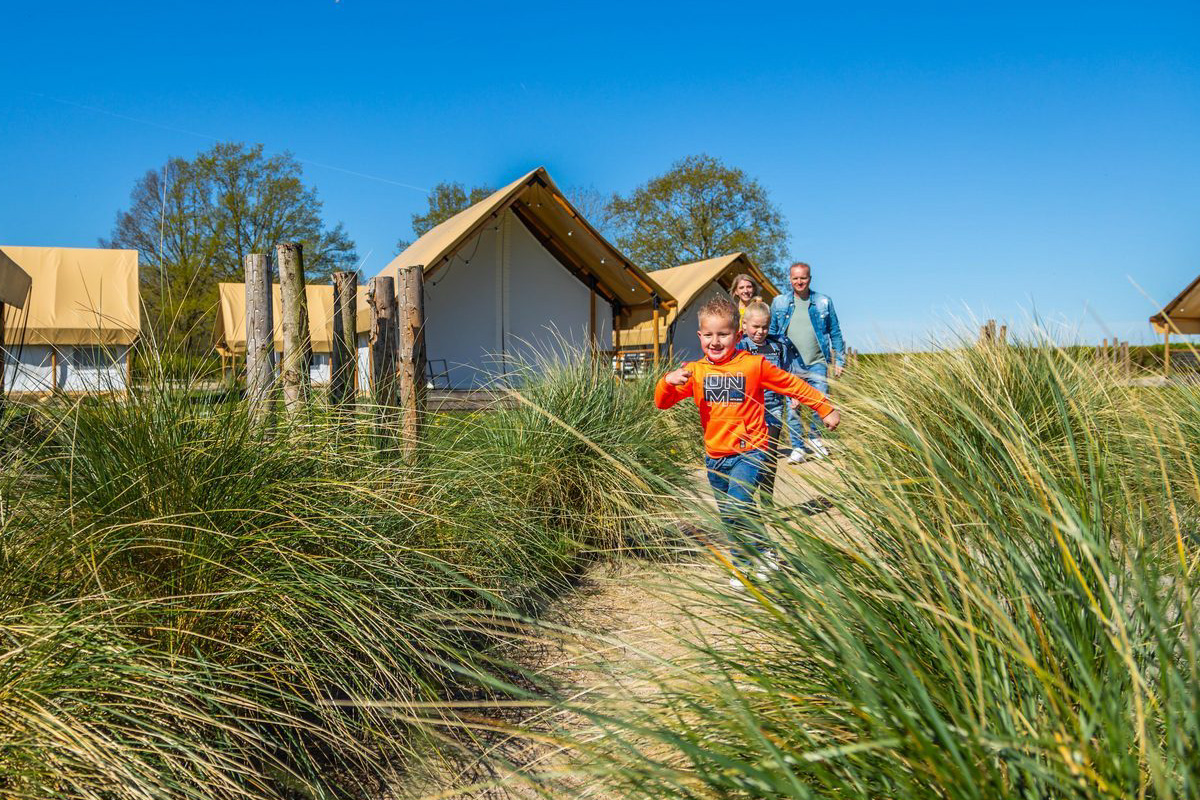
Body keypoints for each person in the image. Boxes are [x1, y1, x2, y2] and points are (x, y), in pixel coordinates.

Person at [655, 297, 840, 587]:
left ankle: (751, 560)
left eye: (723, 334)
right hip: (715, 457)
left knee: (736, 507)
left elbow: (791, 384)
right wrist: (667, 381)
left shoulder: (754, 365)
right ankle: (754, 557)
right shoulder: (695, 372)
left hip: (750, 451)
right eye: (709, 335)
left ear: (737, 335)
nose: (715, 341)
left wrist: (823, 407)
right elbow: (662, 403)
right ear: (700, 336)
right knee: (731, 516)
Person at [768, 261, 845, 463]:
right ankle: (798, 447)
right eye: (795, 278)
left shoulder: (823, 302)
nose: (799, 281)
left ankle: (815, 438)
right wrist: (774, 363)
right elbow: (773, 334)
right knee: (793, 408)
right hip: (790, 364)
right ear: (790, 279)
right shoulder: (779, 303)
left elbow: (835, 332)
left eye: (803, 278)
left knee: (821, 401)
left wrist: (840, 360)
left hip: (817, 361)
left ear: (810, 279)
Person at [736, 301, 794, 504]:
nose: (760, 332)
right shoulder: (739, 347)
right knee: (750, 457)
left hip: (773, 408)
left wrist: (793, 395)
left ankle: (767, 503)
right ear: (744, 325)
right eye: (755, 327)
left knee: (770, 456)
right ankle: (747, 502)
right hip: (747, 411)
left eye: (765, 327)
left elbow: (786, 375)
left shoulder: (777, 347)